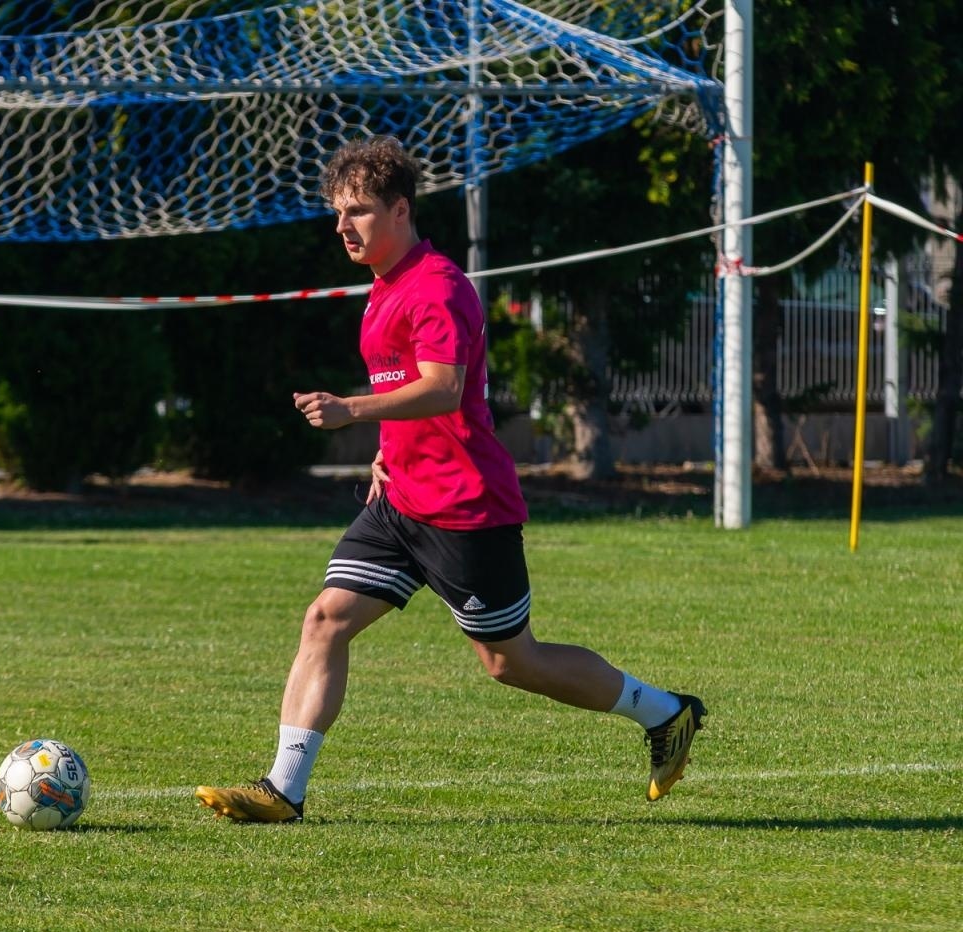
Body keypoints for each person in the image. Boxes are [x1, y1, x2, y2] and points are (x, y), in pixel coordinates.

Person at [195, 136, 706, 824]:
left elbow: (442, 388)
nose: (343, 226)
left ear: (400, 211)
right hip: (401, 500)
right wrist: (384, 447)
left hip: (466, 508)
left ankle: (667, 712)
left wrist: (350, 411)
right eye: (338, 214)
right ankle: (284, 791)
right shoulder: (384, 289)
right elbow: (401, 384)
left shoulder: (437, 288)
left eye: (359, 212)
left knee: (511, 662)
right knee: (324, 620)